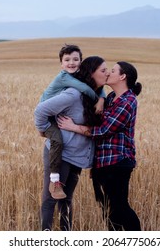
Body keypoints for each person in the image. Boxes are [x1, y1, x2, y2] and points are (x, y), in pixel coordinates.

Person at [58, 61, 142, 231]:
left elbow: (104, 130)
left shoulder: (127, 101)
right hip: (102, 163)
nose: (108, 73)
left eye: (112, 71)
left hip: (118, 163)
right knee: (107, 210)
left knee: (119, 206)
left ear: (122, 76)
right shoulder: (111, 98)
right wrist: (102, 99)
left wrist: (73, 127)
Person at [34, 56, 108, 231]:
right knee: (51, 198)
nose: (108, 73)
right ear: (91, 73)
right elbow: (40, 110)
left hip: (78, 156)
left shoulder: (97, 97)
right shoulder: (73, 94)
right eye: (103, 70)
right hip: (62, 154)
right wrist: (43, 130)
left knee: (66, 199)